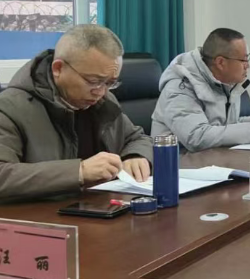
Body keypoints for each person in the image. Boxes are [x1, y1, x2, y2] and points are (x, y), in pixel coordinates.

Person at [0, 25, 153, 203]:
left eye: (110, 83)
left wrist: (136, 155)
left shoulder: (104, 102)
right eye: (93, 81)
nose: (101, 92)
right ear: (58, 69)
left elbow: (137, 138)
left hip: (98, 210)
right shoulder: (10, 108)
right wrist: (80, 171)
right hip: (40, 216)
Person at [151, 28, 250, 152]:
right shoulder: (180, 86)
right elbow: (196, 137)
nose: (248, 66)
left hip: (214, 159)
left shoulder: (224, 83)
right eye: (244, 60)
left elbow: (228, 124)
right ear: (221, 62)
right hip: (178, 164)